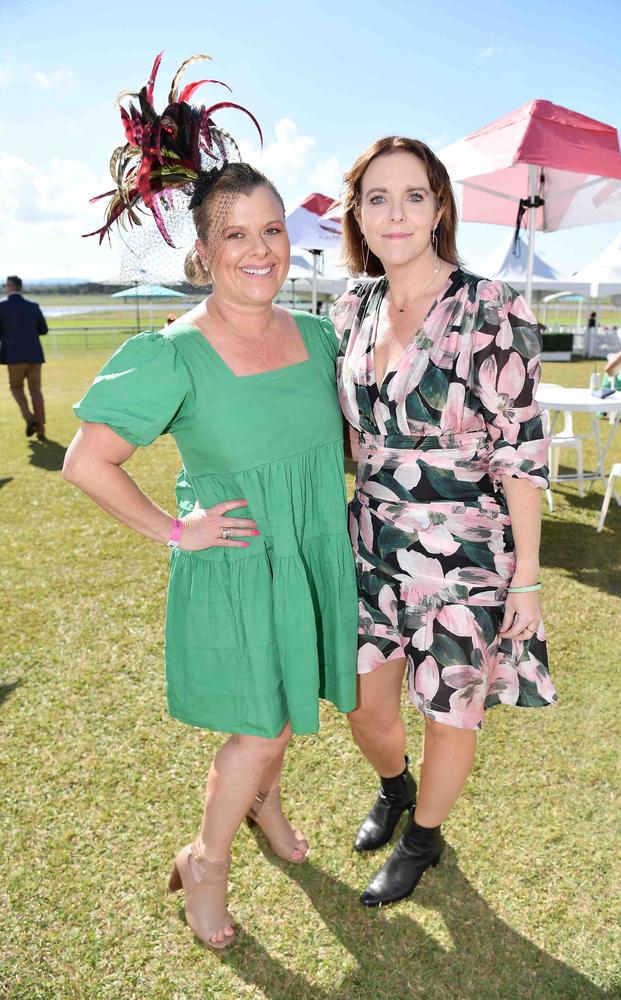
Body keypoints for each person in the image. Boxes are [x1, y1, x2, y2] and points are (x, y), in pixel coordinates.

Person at [63, 54, 357, 952]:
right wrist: (173, 530)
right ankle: (205, 860)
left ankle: (270, 811)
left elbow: (334, 444)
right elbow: (86, 460)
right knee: (259, 730)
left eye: (272, 229)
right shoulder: (171, 353)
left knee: (286, 706)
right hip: (232, 564)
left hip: (309, 554)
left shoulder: (315, 334)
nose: (261, 249)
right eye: (236, 235)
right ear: (203, 250)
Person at [331, 136, 557, 909]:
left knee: (449, 709)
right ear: (358, 214)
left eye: (414, 195)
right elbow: (352, 436)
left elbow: (523, 454)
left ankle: (423, 838)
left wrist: (525, 581)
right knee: (364, 702)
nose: (396, 213)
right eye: (378, 198)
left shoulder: (492, 307)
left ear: (439, 209)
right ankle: (395, 789)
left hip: (465, 553)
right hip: (372, 545)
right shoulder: (349, 308)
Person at [0, 275, 48, 439]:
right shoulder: (33, 306)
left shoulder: (2, 307)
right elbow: (43, 330)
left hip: (14, 356)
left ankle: (30, 418)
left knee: (15, 388)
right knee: (36, 391)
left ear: (9, 286)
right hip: (35, 355)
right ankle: (41, 429)